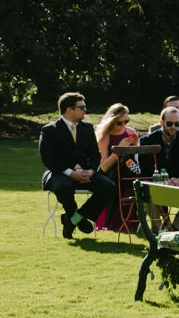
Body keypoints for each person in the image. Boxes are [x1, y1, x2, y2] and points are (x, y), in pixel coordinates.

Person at [39, 92, 117, 238]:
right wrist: (71, 173)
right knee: (63, 187)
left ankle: (73, 219)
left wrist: (92, 171)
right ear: (69, 110)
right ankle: (77, 220)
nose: (85, 110)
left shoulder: (87, 128)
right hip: (60, 173)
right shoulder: (49, 130)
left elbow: (95, 155)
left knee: (109, 186)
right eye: (82, 107)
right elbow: (48, 159)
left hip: (86, 172)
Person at [93, 103, 140, 232]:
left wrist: (134, 146)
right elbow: (103, 167)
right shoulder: (104, 136)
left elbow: (135, 160)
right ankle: (112, 223)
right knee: (116, 184)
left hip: (129, 171)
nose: (124, 125)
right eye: (120, 123)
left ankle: (130, 223)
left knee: (136, 184)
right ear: (112, 122)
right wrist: (119, 149)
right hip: (111, 173)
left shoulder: (131, 133)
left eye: (126, 121)